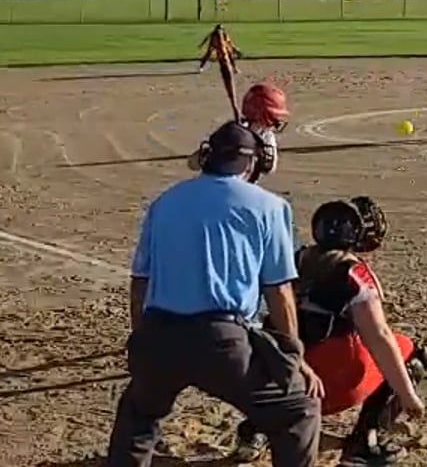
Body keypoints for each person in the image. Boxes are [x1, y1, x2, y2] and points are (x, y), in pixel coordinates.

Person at [105, 120, 324, 467]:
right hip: (223, 344)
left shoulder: (165, 202)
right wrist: (294, 358)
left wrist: (142, 339)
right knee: (298, 410)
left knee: (139, 413)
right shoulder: (269, 207)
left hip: (159, 333)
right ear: (252, 163)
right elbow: (278, 290)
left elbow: (140, 281)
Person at [238, 197, 427, 466]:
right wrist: (407, 395)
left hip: (275, 380)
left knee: (283, 339)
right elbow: (380, 338)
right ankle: (366, 441)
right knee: (406, 350)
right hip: (325, 385)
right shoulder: (353, 273)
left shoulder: (293, 259)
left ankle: (258, 428)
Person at [196, 24, 244, 117]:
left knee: (230, 54)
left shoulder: (224, 35)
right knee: (208, 54)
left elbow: (230, 43)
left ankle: (234, 68)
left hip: (224, 50)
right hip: (217, 48)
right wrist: (204, 45)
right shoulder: (214, 36)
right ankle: (201, 66)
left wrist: (234, 49)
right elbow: (207, 40)